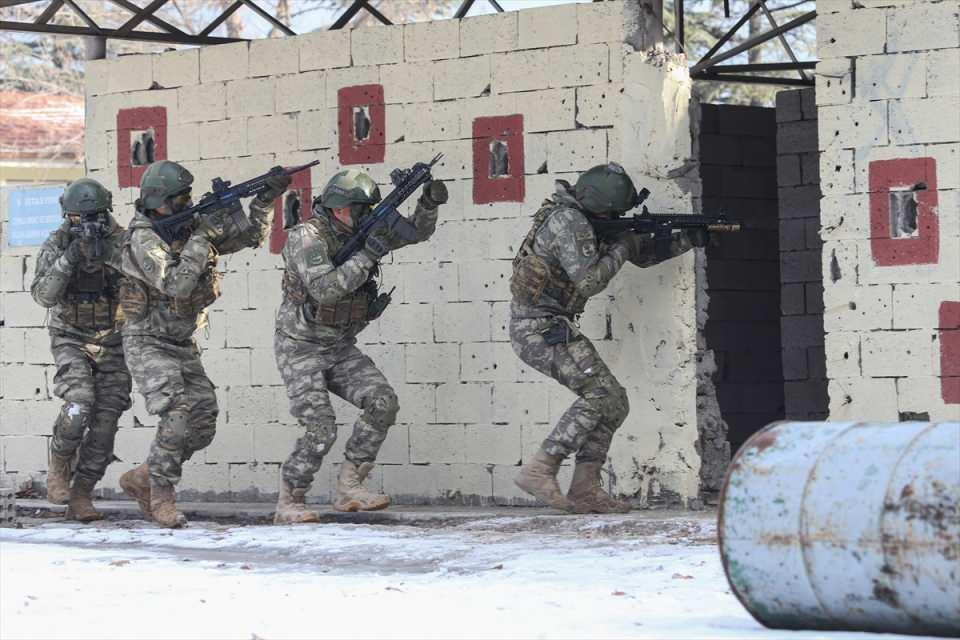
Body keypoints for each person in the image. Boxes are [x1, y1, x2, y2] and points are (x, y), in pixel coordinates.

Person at [508, 162, 705, 514]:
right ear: (603, 205)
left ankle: (584, 487)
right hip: (537, 328)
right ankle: (541, 468)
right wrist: (623, 247)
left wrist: (690, 238)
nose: (618, 215)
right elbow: (589, 281)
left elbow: (641, 256)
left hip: (550, 325)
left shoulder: (583, 218)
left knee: (614, 402)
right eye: (615, 211)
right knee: (599, 393)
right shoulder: (568, 221)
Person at [116, 160, 290, 528]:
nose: (186, 203)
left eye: (188, 197)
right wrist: (202, 237)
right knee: (177, 410)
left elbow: (248, 237)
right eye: (180, 199)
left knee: (202, 423)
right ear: (160, 201)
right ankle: (161, 495)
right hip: (147, 341)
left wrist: (265, 200)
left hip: (180, 341)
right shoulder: (142, 238)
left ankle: (144, 476)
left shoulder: (186, 226)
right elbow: (177, 284)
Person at [272, 169, 447, 524]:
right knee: (321, 426)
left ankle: (350, 486)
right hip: (301, 346)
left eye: (369, 208)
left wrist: (428, 203)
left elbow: (415, 232)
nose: (367, 215)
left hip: (337, 345)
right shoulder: (306, 237)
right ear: (339, 209)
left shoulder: (364, 228)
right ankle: (290, 500)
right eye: (360, 208)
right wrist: (367, 256)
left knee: (382, 402)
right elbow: (324, 289)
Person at [31, 178, 132, 522]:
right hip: (71, 337)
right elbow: (43, 296)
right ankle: (59, 462)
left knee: (105, 424)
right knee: (78, 402)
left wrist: (113, 257)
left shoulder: (121, 240)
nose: (87, 224)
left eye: (94, 217)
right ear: (67, 217)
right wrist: (70, 258)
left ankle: (82, 494)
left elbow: (146, 282)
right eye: (79, 218)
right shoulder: (58, 242)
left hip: (114, 340)